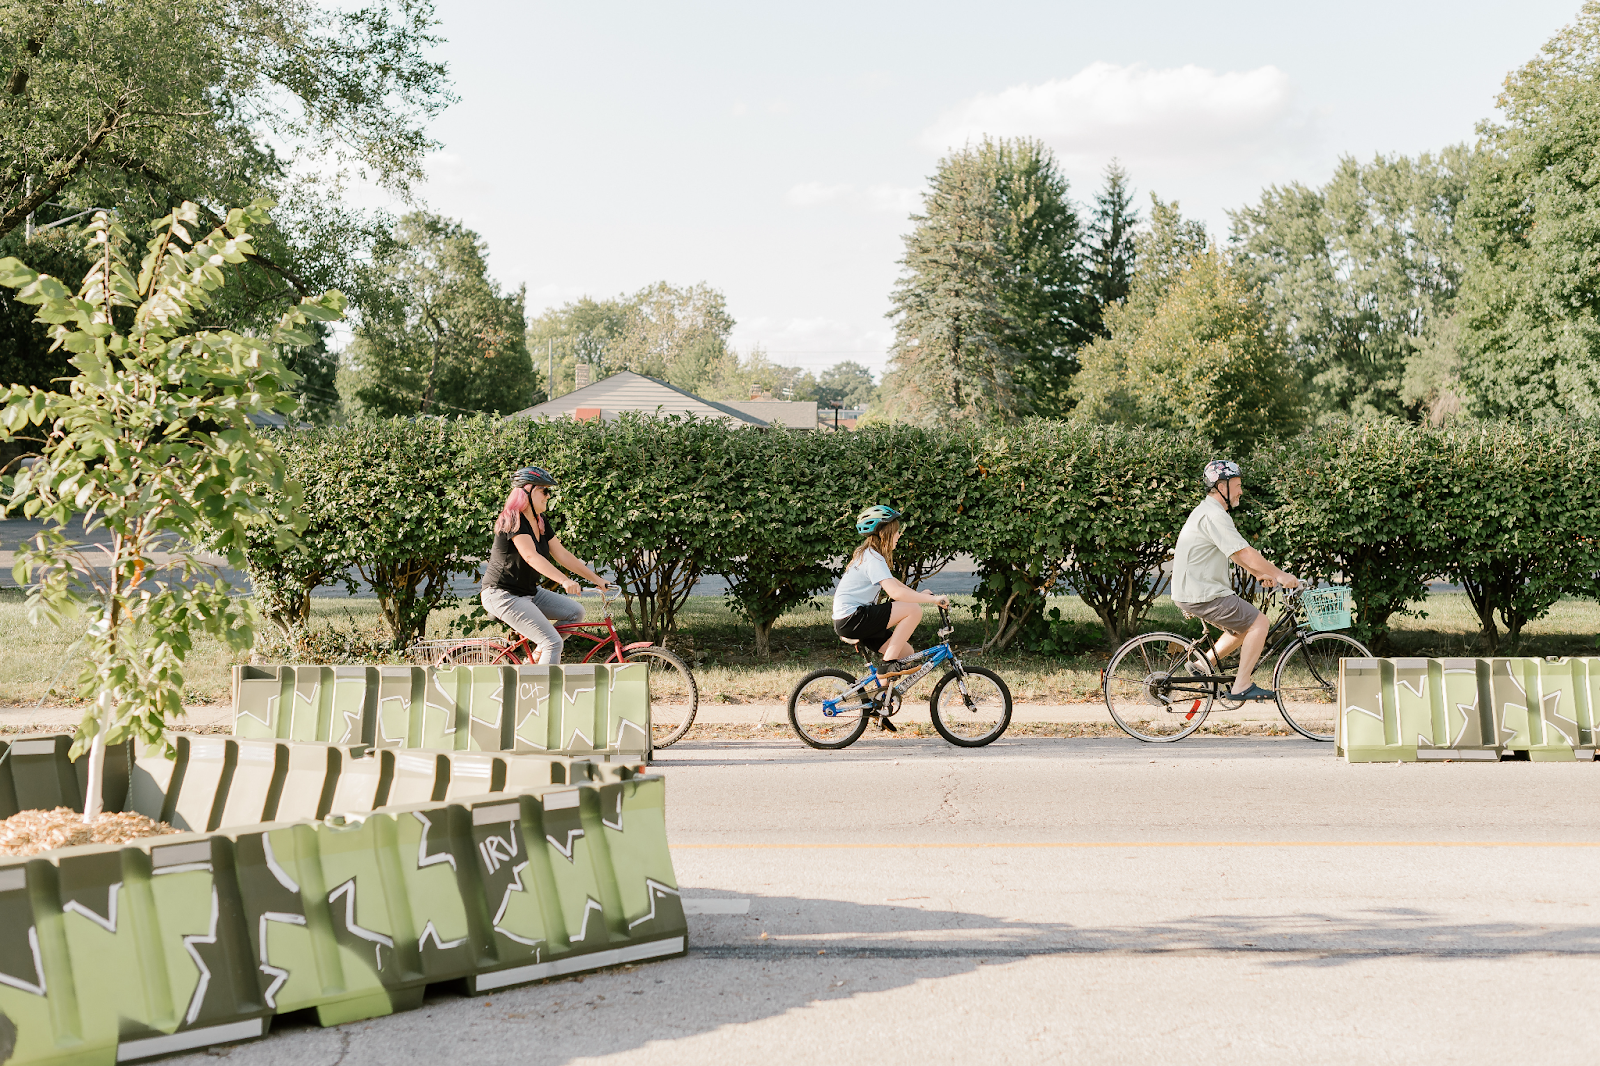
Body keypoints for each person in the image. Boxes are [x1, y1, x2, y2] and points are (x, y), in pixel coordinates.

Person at [1171, 460, 1301, 703]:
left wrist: (1257, 573)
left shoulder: (1209, 511)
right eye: (1238, 485)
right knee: (1259, 623)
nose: (1241, 490)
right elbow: (1244, 552)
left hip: (1198, 590)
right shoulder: (1213, 515)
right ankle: (1241, 686)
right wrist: (1281, 575)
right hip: (1201, 592)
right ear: (1222, 486)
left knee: (1244, 626)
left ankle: (1203, 665)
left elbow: (1233, 551)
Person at [480, 466, 610, 664]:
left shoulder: (540, 521)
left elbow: (562, 554)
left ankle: (538, 660)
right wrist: (564, 580)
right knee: (553, 642)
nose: (548, 496)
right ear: (527, 490)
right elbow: (531, 557)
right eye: (544, 490)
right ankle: (542, 693)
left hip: (528, 592)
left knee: (575, 612)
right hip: (502, 594)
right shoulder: (512, 518)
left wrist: (597, 579)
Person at [832, 505, 951, 670]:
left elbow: (894, 583)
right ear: (884, 534)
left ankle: (883, 695)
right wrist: (933, 599)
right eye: (896, 531)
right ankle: (887, 666)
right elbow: (895, 592)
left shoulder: (870, 553)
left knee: (906, 654)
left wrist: (918, 595)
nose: (899, 535)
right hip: (853, 618)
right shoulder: (874, 558)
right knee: (914, 610)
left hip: (850, 620)